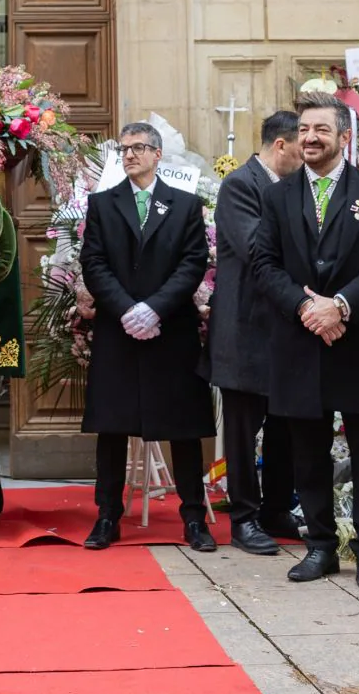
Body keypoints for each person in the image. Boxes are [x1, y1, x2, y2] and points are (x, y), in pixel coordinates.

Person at [251, 94, 359, 589]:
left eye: (321, 129)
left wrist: (339, 305)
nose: (311, 137)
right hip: (301, 343)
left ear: (345, 137)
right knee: (308, 453)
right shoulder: (278, 195)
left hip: (358, 340)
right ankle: (319, 546)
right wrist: (306, 308)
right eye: (304, 129)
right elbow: (263, 264)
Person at [78, 122, 216, 554]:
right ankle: (107, 516)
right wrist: (127, 309)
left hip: (169, 328)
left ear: (158, 154)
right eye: (124, 149)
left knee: (183, 427)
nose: (130, 155)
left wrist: (155, 307)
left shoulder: (184, 204)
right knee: (113, 426)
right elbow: (94, 263)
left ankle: (194, 517)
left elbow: (193, 263)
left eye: (139, 148)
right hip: (118, 330)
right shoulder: (103, 203)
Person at [206, 110, 302, 555]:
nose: (308, 157)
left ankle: (277, 508)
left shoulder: (294, 186)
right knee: (244, 433)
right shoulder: (241, 185)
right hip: (245, 329)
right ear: (280, 146)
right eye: (302, 148)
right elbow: (253, 249)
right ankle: (244, 516)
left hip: (286, 330)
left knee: (285, 424)